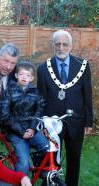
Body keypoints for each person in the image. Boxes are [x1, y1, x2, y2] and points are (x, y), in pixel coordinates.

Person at [37, 29, 93, 186]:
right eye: (58, 44)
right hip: (52, 123)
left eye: (65, 44)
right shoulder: (43, 69)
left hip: (76, 120)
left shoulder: (82, 66)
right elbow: (41, 98)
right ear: (53, 46)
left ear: (71, 46)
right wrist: (41, 123)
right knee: (51, 159)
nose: (61, 48)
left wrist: (89, 122)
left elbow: (87, 94)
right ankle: (50, 183)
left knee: (74, 158)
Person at [0, 61, 48, 175]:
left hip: (32, 130)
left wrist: (32, 129)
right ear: (16, 75)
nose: (24, 77)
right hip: (15, 131)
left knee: (48, 149)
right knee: (24, 163)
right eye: (21, 74)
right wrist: (22, 132)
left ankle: (43, 175)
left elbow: (39, 110)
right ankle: (20, 181)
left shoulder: (36, 92)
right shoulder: (9, 92)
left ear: (31, 78)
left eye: (27, 75)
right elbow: (5, 116)